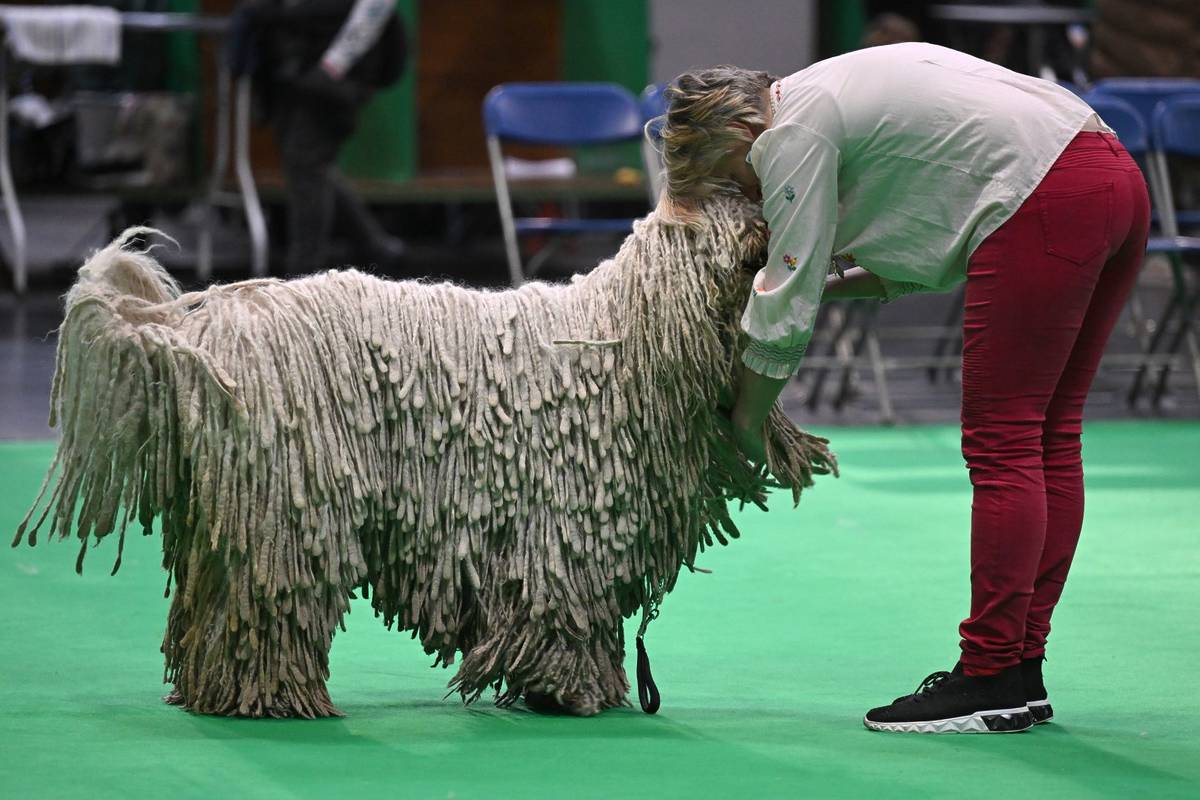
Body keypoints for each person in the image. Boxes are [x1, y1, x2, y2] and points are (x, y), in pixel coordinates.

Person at [657, 43, 1150, 734]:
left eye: (733, 180)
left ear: (740, 134)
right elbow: (915, 239)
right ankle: (1019, 667)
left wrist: (747, 425)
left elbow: (785, 299)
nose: (750, 198)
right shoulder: (837, 90)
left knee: (1003, 442)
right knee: (1047, 436)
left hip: (1048, 193)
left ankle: (987, 673)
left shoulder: (788, 129)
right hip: (1114, 177)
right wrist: (822, 288)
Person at [231, 0, 408, 275]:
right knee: (310, 166)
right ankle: (377, 247)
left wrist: (335, 65)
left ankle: (303, 277)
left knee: (306, 164)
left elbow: (378, 4)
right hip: (290, 61)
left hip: (329, 66)